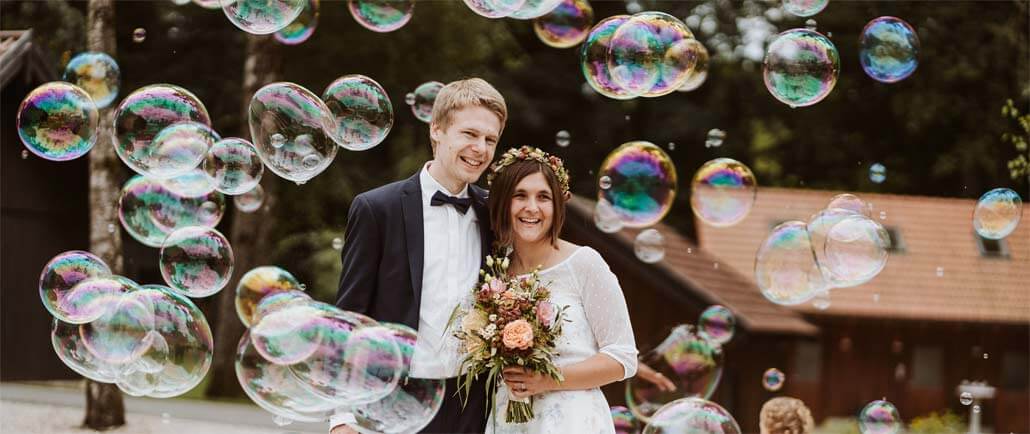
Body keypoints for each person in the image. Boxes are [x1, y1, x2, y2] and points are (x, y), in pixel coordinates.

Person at [331, 78, 507, 434]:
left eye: (490, 140)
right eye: (469, 134)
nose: (480, 148)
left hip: (472, 405)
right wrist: (342, 415)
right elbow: (351, 316)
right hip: (393, 398)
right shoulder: (377, 208)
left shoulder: (497, 213)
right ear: (437, 130)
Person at [484, 146, 638, 433]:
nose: (532, 207)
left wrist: (548, 379)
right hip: (510, 420)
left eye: (543, 197)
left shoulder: (583, 263)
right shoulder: (495, 274)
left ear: (557, 206)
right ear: (503, 202)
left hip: (572, 420)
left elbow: (623, 357)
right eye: (520, 195)